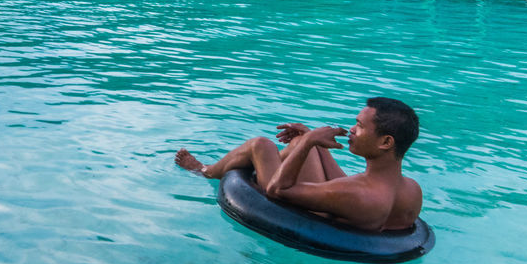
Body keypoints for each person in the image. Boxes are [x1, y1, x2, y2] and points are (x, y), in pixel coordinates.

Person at [175, 97, 423, 232]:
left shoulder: (360, 195)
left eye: (360, 126)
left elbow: (278, 191)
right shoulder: (411, 190)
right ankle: (295, 149)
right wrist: (311, 140)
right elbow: (348, 188)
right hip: (346, 213)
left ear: (386, 142)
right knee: (305, 146)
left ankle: (204, 171)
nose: (351, 130)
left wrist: (307, 143)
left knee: (261, 146)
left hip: (310, 216)